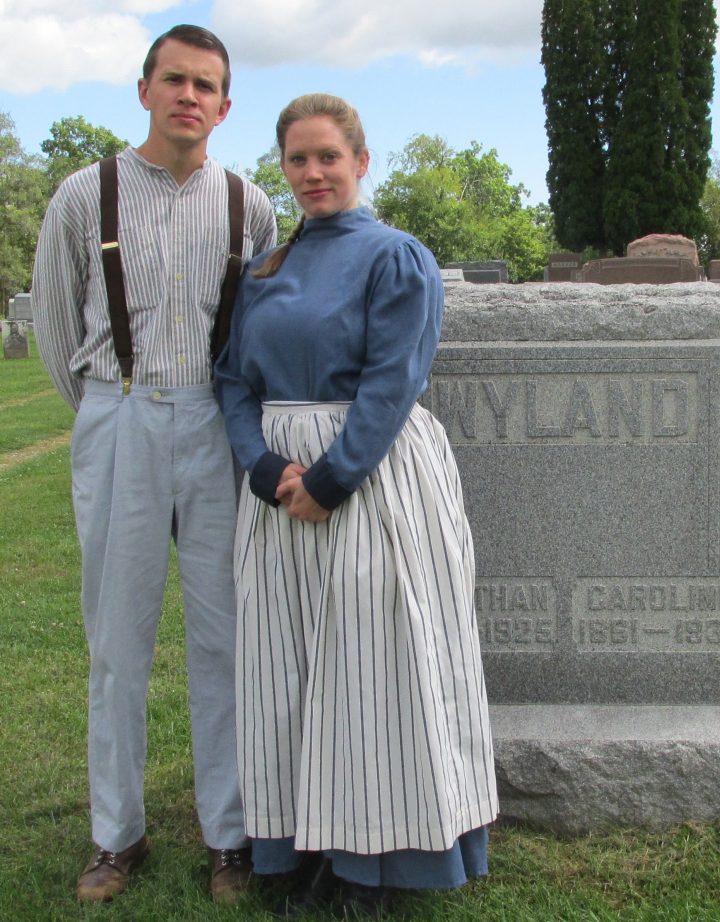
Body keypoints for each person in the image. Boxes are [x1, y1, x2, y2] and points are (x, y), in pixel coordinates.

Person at [215, 93, 498, 918]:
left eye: (328, 157)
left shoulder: (396, 256)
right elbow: (233, 378)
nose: (312, 173)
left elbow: (393, 381)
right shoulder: (265, 268)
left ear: (360, 162)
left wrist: (331, 480)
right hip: (277, 495)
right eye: (298, 160)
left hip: (371, 483)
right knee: (290, 672)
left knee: (374, 670)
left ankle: (379, 862)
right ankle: (306, 842)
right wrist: (265, 469)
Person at [31, 24, 277, 904]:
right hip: (121, 411)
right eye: (174, 80)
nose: (189, 97)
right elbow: (57, 329)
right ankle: (115, 835)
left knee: (226, 637)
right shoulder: (81, 195)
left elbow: (256, 333)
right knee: (116, 641)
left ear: (224, 104)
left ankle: (231, 836)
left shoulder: (250, 205)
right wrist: (112, 411)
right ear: (144, 90)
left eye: (206, 85)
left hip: (215, 423)